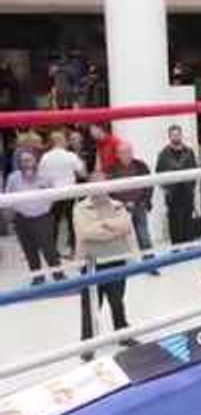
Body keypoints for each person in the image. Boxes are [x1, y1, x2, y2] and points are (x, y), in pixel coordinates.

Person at [73, 170, 139, 360]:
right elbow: (86, 232)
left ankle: (122, 334)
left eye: (103, 184)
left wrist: (104, 226)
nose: (100, 189)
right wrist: (112, 229)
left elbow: (126, 226)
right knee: (91, 304)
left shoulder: (117, 204)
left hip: (116, 259)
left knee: (117, 300)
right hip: (92, 262)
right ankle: (88, 344)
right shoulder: (80, 208)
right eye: (96, 184)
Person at [3, 150, 64, 286]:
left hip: (43, 218)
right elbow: (7, 197)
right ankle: (37, 277)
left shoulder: (45, 176)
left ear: (36, 160)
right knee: (29, 250)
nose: (27, 163)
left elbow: (55, 195)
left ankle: (59, 275)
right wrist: (9, 216)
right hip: (22, 219)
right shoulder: (13, 177)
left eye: (29, 160)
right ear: (19, 163)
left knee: (49, 249)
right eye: (23, 161)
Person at [108, 142, 159, 276]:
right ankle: (119, 268)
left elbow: (149, 184)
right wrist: (123, 203)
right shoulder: (112, 169)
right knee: (119, 238)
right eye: (124, 152)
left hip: (139, 205)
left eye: (129, 152)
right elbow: (110, 191)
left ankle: (150, 264)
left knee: (144, 237)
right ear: (118, 155)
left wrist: (143, 201)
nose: (127, 155)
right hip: (120, 208)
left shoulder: (141, 166)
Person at [38, 130, 86, 258]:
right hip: (70, 192)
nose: (67, 142)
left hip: (54, 193)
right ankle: (74, 250)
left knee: (54, 223)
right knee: (72, 223)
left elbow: (42, 180)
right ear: (60, 141)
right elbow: (82, 173)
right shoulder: (70, 155)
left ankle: (52, 252)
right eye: (65, 140)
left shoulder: (45, 157)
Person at [155, 124, 199, 247]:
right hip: (173, 194)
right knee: (174, 221)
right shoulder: (163, 154)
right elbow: (159, 173)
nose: (176, 137)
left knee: (188, 219)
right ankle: (177, 247)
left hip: (187, 192)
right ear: (169, 136)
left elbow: (194, 170)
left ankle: (189, 245)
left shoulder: (189, 152)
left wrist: (191, 187)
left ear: (181, 135)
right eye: (173, 135)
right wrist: (167, 189)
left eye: (178, 134)